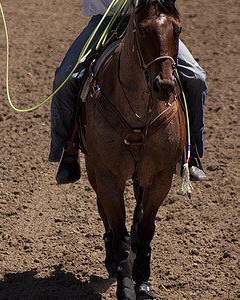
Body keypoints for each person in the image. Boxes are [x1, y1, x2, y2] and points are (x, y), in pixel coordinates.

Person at [50, 0, 208, 184]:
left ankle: (190, 154)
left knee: (196, 79)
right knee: (65, 78)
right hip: (105, 21)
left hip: (151, 21)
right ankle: (67, 151)